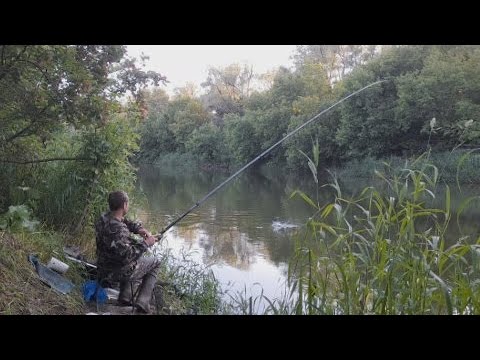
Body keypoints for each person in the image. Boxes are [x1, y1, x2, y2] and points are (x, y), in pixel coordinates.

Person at [95, 190, 160, 313]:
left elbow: (123, 221)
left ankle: (125, 297)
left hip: (102, 267)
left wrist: (139, 229)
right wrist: (147, 243)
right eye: (127, 204)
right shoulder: (120, 230)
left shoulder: (103, 218)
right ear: (124, 205)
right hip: (115, 274)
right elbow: (128, 256)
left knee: (134, 257)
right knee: (155, 262)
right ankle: (143, 302)